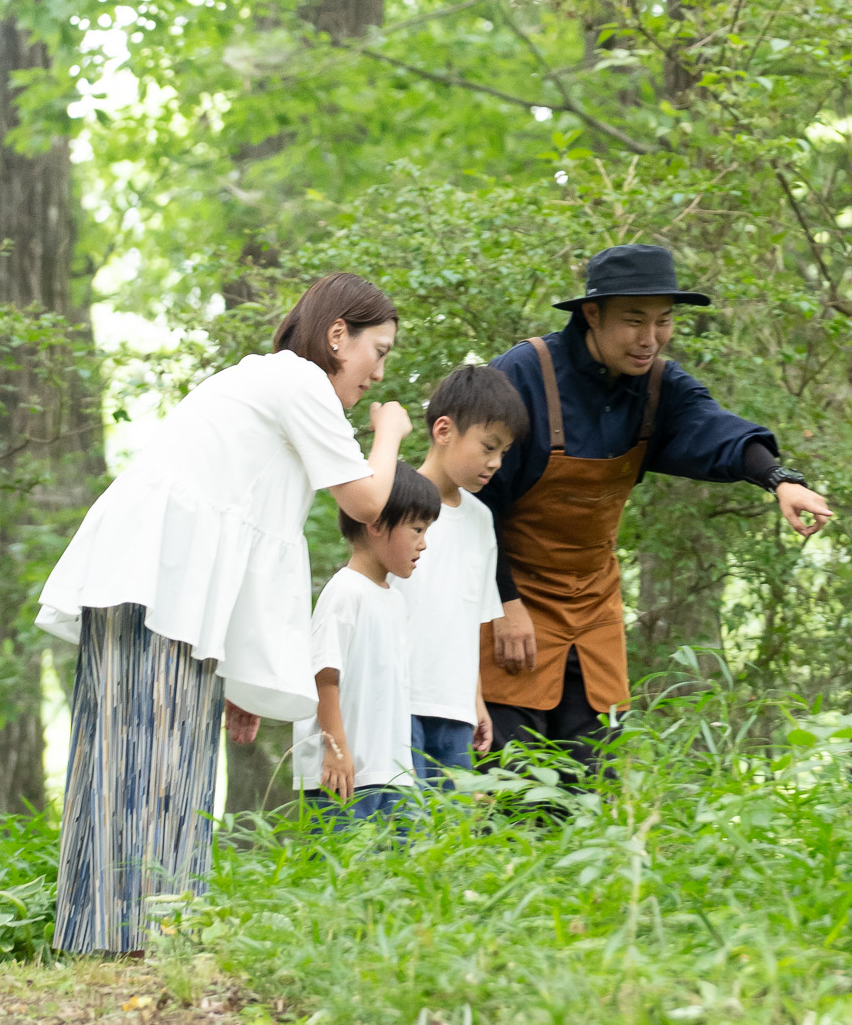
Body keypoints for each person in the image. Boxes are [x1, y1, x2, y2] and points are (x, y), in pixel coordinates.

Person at [37, 271, 413, 954]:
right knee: (141, 754)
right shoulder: (300, 381)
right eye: (378, 350)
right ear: (338, 336)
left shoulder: (277, 391)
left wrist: (239, 674)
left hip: (166, 582)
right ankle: (123, 940)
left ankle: (139, 937)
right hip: (150, 573)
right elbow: (366, 502)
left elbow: (255, 543)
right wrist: (388, 431)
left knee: (164, 753)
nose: (377, 370)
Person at [479, 243, 834, 774]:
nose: (650, 339)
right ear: (591, 314)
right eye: (634, 320)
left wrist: (779, 479)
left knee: (588, 780)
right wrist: (503, 604)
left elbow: (712, 428)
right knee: (508, 780)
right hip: (509, 600)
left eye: (664, 321)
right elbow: (473, 507)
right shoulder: (524, 373)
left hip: (593, 607)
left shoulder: (659, 388)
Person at [394, 364, 529, 788]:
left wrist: (476, 703)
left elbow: (469, 623)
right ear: (443, 429)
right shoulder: (392, 503)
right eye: (488, 447)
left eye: (503, 452)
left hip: (454, 711)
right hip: (397, 699)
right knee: (395, 834)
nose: (495, 463)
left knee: (449, 839)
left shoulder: (481, 520)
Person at [293, 462, 443, 826]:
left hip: (389, 773)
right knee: (337, 873)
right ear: (375, 524)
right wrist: (337, 749)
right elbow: (323, 674)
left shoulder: (393, 597)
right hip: (342, 775)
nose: (423, 544)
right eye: (417, 529)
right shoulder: (346, 591)